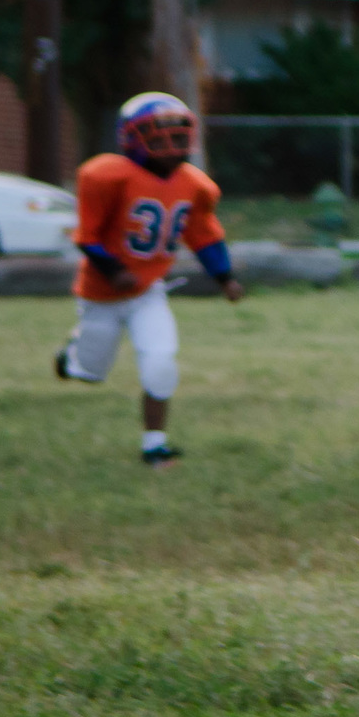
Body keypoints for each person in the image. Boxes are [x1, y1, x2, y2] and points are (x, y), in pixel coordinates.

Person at [54, 93, 246, 465]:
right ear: (130, 140)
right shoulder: (107, 175)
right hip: (100, 295)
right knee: (90, 373)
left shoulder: (194, 184)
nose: (169, 148)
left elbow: (204, 235)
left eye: (176, 138)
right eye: (157, 139)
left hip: (148, 291)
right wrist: (115, 270)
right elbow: (87, 237)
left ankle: (154, 445)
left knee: (160, 360)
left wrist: (225, 277)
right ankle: (72, 356)